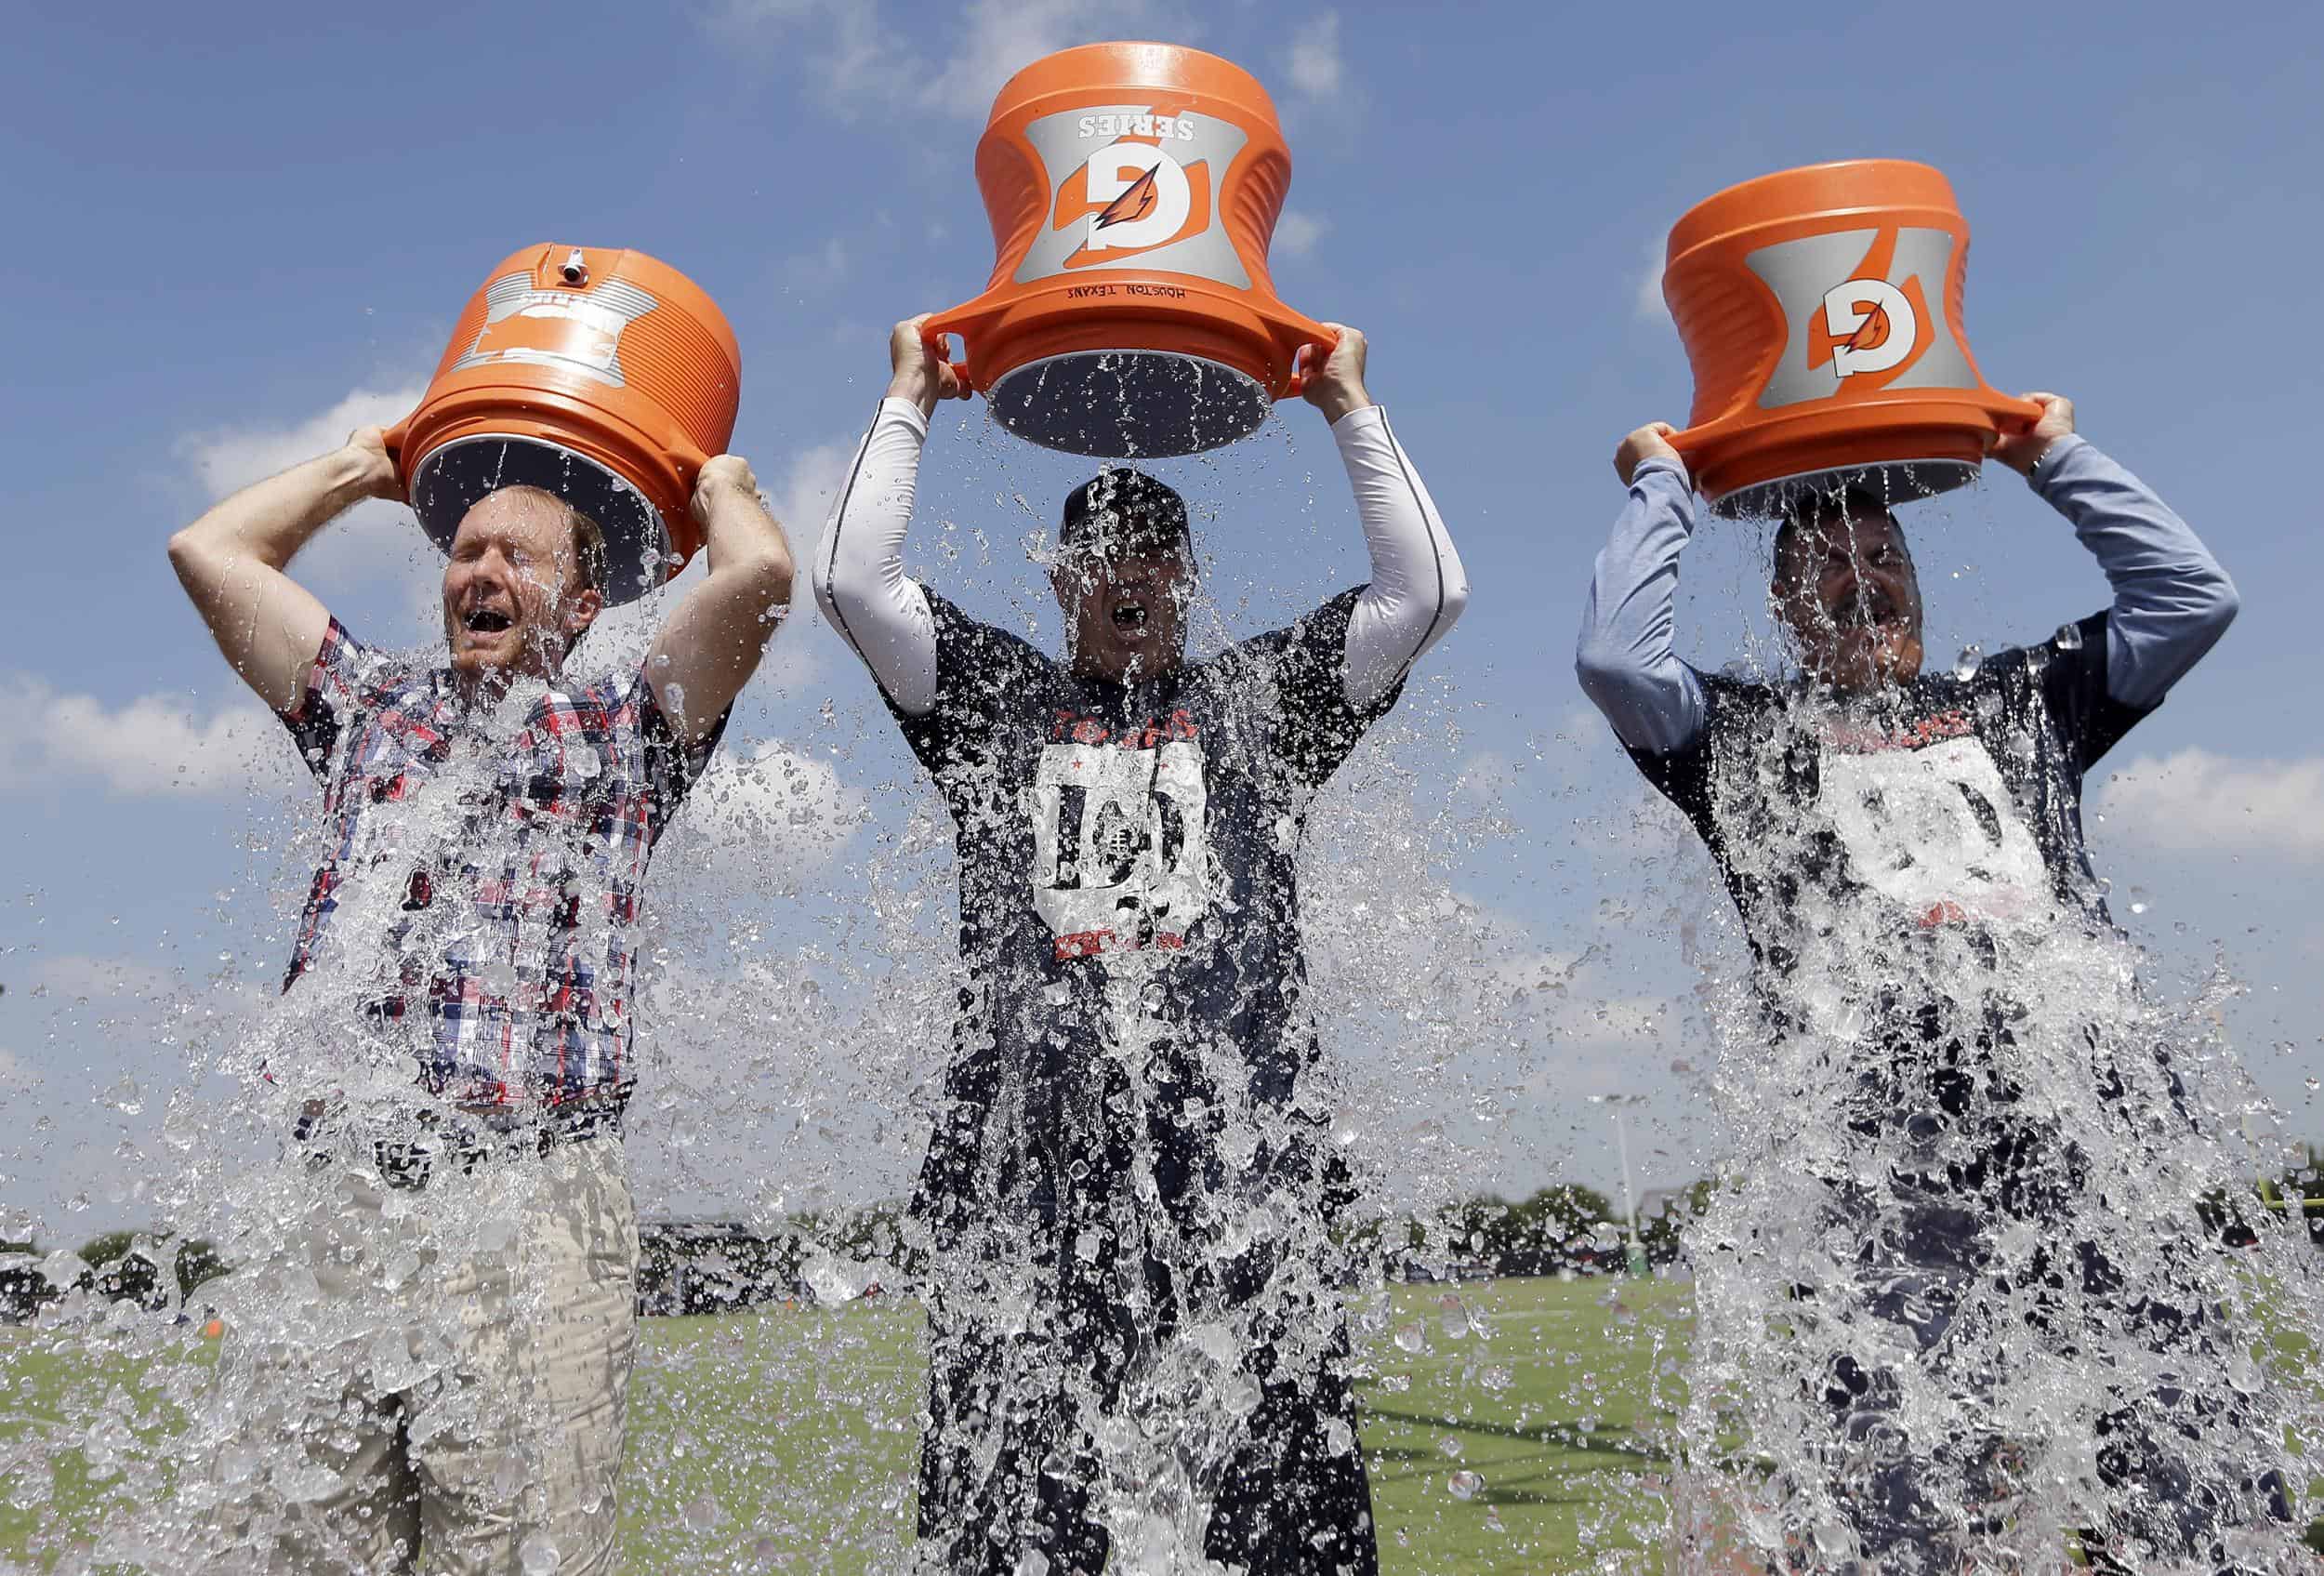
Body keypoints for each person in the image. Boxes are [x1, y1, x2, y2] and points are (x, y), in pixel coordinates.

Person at [1575, 399, 2280, 1572]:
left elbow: (2189, 599)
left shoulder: (2023, 697)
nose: (1864, 583)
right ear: (1785, 611)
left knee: (2192, 1477)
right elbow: (1615, 660)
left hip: (2085, 1139)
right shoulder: (1741, 736)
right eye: (1826, 569)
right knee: (1894, 1507)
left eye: (1883, 558)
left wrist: (2047, 453)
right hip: (1881, 1183)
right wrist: (1667, 485)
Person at [812, 316, 1466, 1575]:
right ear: (1061, 580)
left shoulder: (1254, 703)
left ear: (1189, 574)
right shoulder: (997, 701)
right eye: (1104, 551)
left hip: (1238, 1194)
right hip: (1029, 1197)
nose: (1133, 569)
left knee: (1286, 1539)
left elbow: (1425, 592)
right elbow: (852, 583)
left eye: (1159, 551)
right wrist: (909, 394)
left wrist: (1347, 406)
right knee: (1012, 1540)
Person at [167, 425, 793, 1574]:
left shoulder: (627, 733)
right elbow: (209, 549)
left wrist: (716, 484)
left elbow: (757, 578)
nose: (480, 574)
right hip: (341, 1200)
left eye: (518, 555)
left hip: (534, 1210)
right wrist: (367, 468)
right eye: (463, 551)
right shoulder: (369, 708)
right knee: (304, 1552)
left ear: (588, 601)